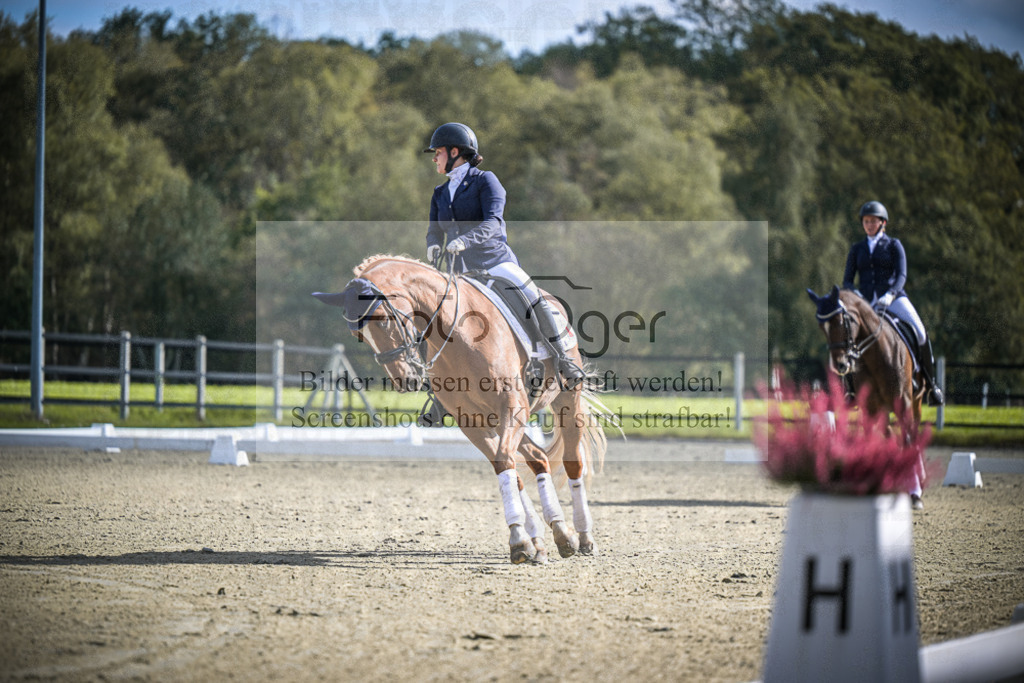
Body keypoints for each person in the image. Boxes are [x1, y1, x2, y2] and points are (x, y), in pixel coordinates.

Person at [422, 122, 585, 389]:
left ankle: (563, 359)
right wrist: (433, 244)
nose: (434, 158)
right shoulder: (440, 193)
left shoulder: (485, 181)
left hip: (494, 262)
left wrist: (465, 240)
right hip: (458, 271)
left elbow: (493, 223)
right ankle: (437, 386)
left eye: (437, 152)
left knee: (533, 298)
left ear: (454, 152)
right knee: (431, 314)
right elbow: (434, 230)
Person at [842, 200, 944, 405]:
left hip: (893, 299)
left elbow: (901, 275)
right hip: (865, 303)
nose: (869, 224)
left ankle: (931, 385)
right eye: (866, 221)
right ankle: (850, 390)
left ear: (883, 223)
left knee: (920, 331)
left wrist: (891, 293)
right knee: (846, 335)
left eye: (873, 221)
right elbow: (847, 280)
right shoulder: (857, 249)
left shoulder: (893, 245)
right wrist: (856, 296)